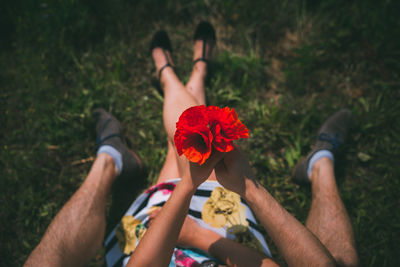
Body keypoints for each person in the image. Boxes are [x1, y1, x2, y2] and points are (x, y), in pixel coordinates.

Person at [24, 21, 359, 267]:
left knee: (181, 144)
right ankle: (319, 162)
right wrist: (249, 193)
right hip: (219, 227)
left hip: (154, 231)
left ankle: (168, 76)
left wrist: (186, 191)